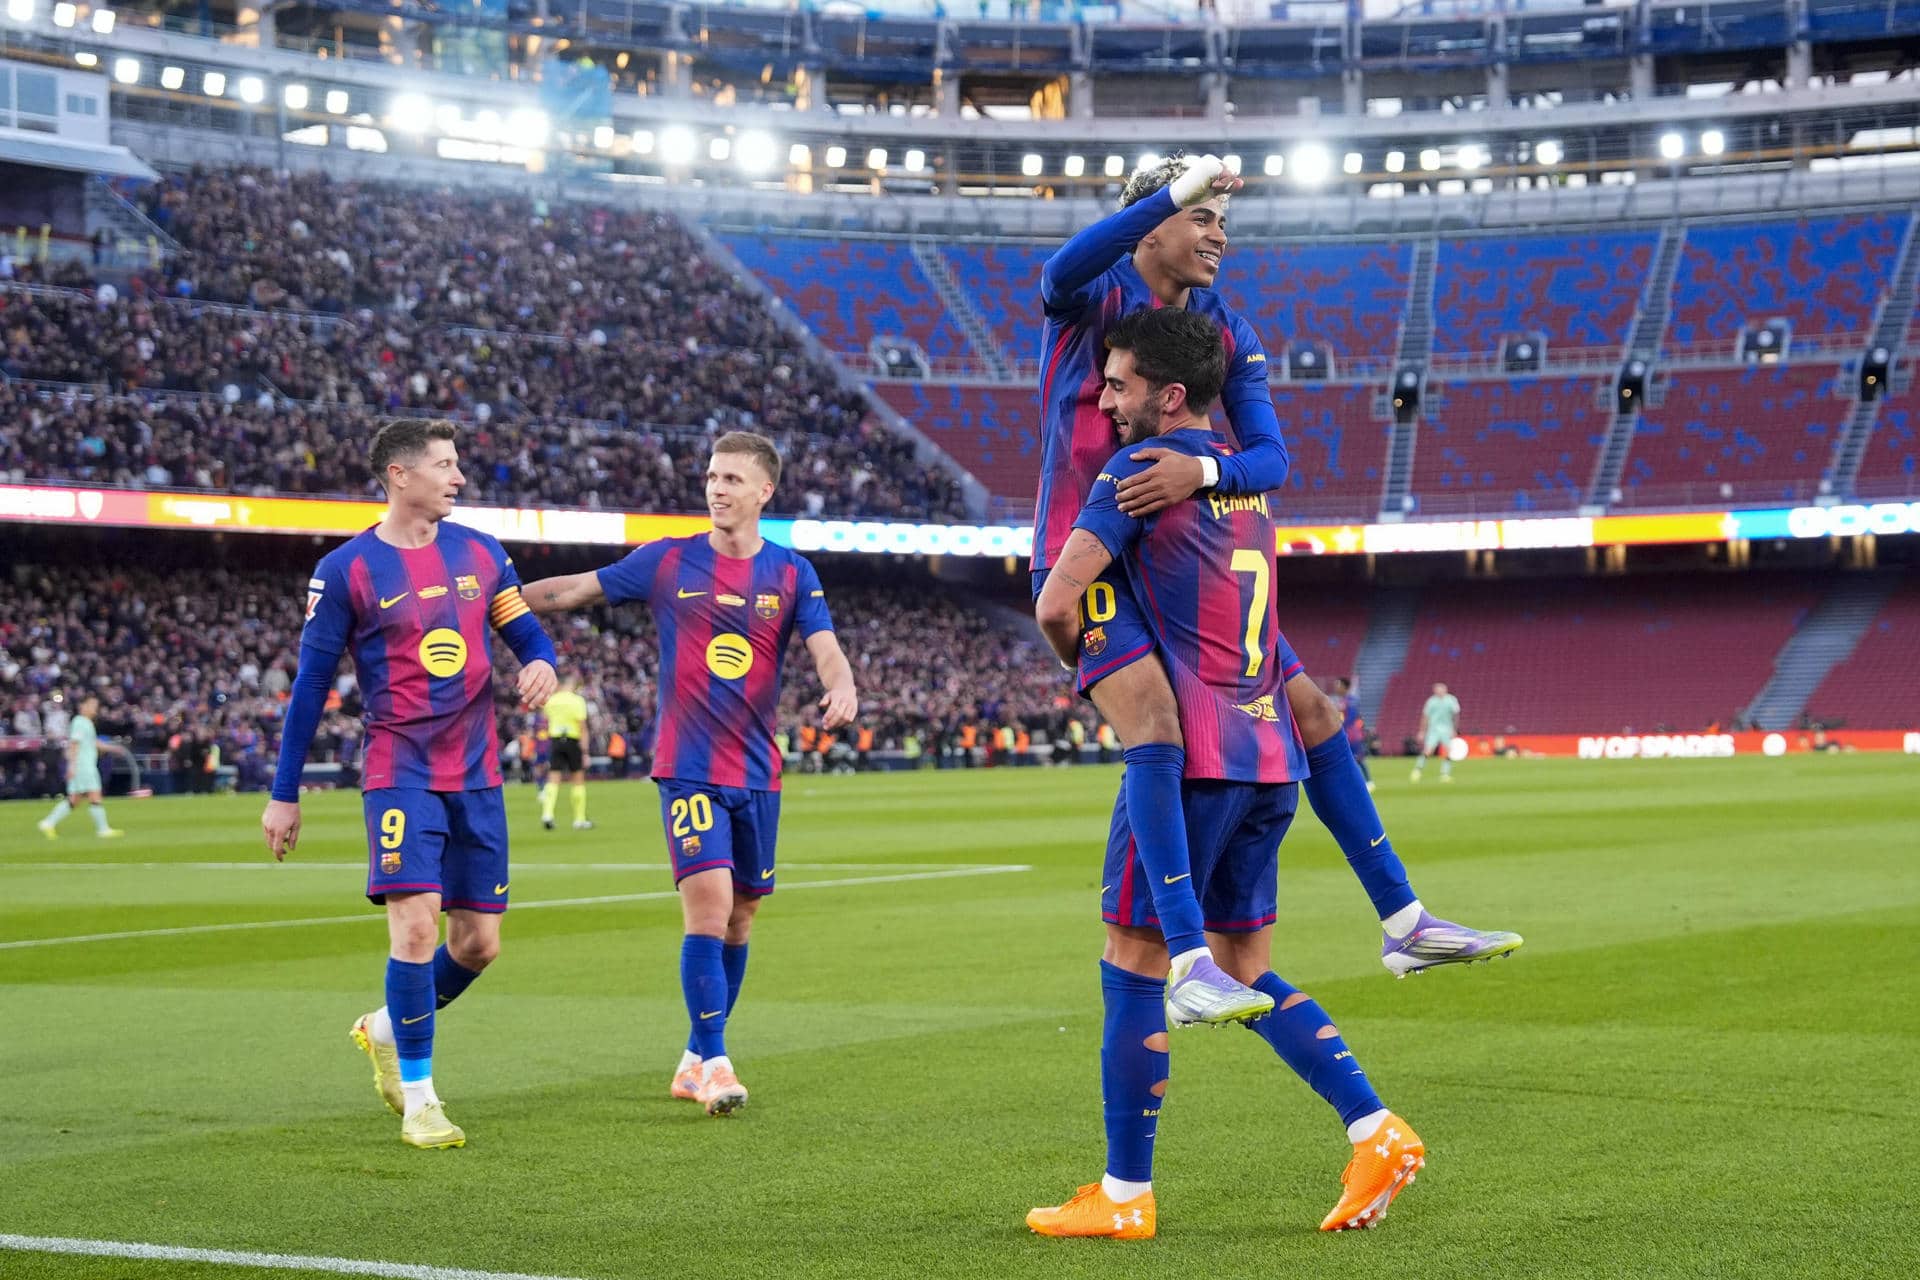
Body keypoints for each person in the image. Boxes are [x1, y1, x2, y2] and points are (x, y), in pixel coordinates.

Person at [1036, 152, 1518, 980]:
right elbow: (1058, 268)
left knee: (1318, 717)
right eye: (1202, 217)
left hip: (1184, 563)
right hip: (1093, 555)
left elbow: (1271, 458)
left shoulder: (1224, 329)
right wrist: (1169, 194)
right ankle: (1186, 958)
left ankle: (1403, 921)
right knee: (1155, 723)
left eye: (1223, 220)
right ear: (1154, 222)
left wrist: (1202, 471)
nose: (1220, 235)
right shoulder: (1095, 298)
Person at [1029, 308, 1424, 1240]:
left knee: (1133, 962)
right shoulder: (1248, 485)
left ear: (1168, 396)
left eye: (1118, 384)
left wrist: (1096, 675)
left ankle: (1124, 1197)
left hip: (1188, 765)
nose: (1104, 399)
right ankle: (1375, 1128)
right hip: (1267, 765)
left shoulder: (1135, 471)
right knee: (1248, 967)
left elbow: (1054, 601)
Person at [522, 431, 858, 1118]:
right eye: (711, 476)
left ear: (765, 490)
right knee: (708, 908)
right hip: (689, 767)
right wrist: (496, 600)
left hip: (758, 772)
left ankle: (691, 1057)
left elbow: (827, 649)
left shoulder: (792, 573)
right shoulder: (668, 560)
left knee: (741, 917)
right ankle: (714, 1060)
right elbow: (575, 592)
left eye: (732, 478)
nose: (716, 488)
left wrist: (844, 689)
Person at [260, 419, 559, 1151]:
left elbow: (527, 635)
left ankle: (388, 1028)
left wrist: (543, 663)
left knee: (480, 944)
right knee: (416, 927)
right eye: (445, 465)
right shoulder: (346, 571)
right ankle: (422, 1099)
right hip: (401, 770)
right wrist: (284, 790)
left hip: (478, 772)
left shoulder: (483, 554)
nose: (458, 478)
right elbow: (309, 686)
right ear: (400, 476)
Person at [36, 693, 123, 839]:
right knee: (95, 795)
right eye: (92, 705)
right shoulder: (80, 722)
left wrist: (113, 749)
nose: (94, 709)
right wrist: (72, 766)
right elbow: (74, 744)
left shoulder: (86, 723)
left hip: (83, 764)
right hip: (83, 766)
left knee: (74, 800)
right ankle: (103, 829)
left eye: (95, 706)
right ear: (82, 706)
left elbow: (93, 742)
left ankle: (48, 822)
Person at [539, 674, 593, 830]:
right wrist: (585, 752)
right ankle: (579, 819)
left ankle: (547, 814)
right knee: (577, 779)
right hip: (572, 740)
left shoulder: (552, 701)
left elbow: (545, 718)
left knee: (553, 778)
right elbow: (582, 727)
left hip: (556, 741)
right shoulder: (577, 701)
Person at [1411, 683, 1461, 784]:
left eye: (1441, 689)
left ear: (1445, 690)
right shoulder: (1431, 701)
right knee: (1428, 750)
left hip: (1447, 729)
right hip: (1433, 729)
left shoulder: (1451, 700)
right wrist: (1422, 731)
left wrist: (1454, 729)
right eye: (1437, 690)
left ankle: (1445, 774)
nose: (1440, 691)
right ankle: (1417, 770)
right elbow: (1425, 717)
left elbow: (1456, 715)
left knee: (1448, 750)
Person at [1335, 676, 1373, 792]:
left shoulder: (1351, 701)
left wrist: (1341, 726)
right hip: (1345, 734)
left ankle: (1369, 782)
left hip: (1352, 735)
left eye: (1339, 685)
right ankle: (1356, 781)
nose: (1337, 688)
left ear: (1345, 687)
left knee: (1358, 758)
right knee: (1349, 758)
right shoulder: (1342, 701)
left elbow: (1351, 717)